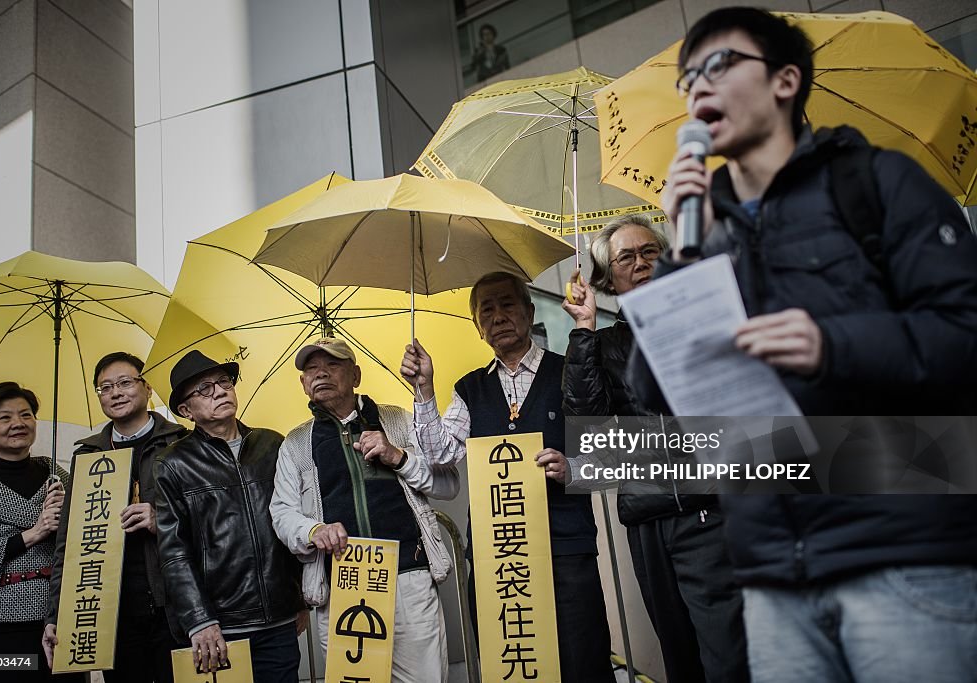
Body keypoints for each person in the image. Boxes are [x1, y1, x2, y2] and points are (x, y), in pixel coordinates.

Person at [630, 7, 977, 681]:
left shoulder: (879, 184)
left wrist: (834, 345)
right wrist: (679, 251)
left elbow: (964, 334)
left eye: (720, 64)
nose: (698, 86)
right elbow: (655, 392)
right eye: (687, 77)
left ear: (786, 80)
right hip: (769, 575)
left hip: (904, 553)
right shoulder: (705, 234)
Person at [401, 271, 616, 683]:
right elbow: (439, 455)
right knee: (514, 666)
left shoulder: (569, 370)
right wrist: (424, 391)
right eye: (487, 310)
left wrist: (571, 468)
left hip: (564, 548)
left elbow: (605, 456)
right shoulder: (469, 389)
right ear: (479, 329)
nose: (498, 316)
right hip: (497, 555)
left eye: (507, 304)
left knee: (583, 660)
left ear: (529, 312)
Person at [562, 214, 748, 683]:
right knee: (678, 650)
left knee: (726, 650)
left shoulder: (703, 321)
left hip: (708, 508)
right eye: (626, 257)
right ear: (607, 279)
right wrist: (584, 329)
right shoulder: (601, 344)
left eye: (651, 252)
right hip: (645, 517)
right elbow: (588, 421)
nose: (641, 262)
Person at [271, 337, 458, 683]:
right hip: (342, 583)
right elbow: (282, 513)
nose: (321, 374)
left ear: (356, 375)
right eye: (311, 369)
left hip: (408, 577)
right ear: (302, 383)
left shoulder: (398, 420)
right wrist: (314, 531)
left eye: (333, 365)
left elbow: (448, 485)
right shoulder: (296, 443)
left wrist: (397, 457)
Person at [154, 350, 306, 682]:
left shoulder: (272, 444)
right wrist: (199, 620)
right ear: (185, 410)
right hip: (221, 625)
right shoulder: (173, 463)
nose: (221, 391)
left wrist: (301, 597)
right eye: (205, 389)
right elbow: (174, 551)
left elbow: (292, 519)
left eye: (224, 382)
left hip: (280, 619)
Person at [42, 352, 188, 681]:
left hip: (176, 605)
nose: (116, 393)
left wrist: (160, 520)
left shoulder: (182, 444)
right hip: (113, 610)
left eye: (125, 383)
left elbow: (210, 521)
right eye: (105, 387)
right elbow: (69, 544)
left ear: (147, 387)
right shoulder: (89, 456)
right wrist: (58, 614)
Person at [0, 383, 80, 682]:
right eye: (5, 417)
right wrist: (32, 533)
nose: (18, 424)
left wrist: (68, 519)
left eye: (26, 415)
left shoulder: (59, 480)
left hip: (56, 619)